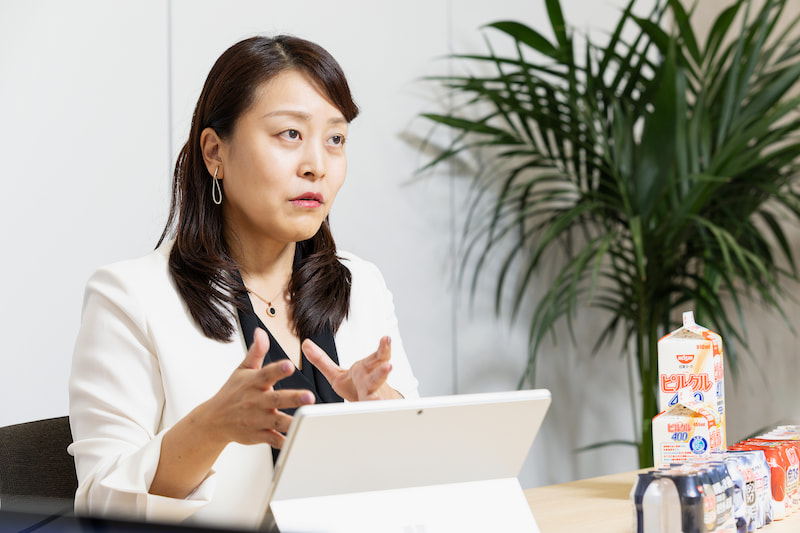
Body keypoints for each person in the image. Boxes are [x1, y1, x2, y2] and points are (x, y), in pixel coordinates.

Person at [68, 35, 418, 529]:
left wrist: (379, 408)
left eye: (335, 139)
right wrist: (211, 428)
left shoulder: (360, 284)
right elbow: (101, 509)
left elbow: (422, 479)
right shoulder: (129, 299)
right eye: (290, 134)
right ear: (215, 152)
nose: (316, 164)